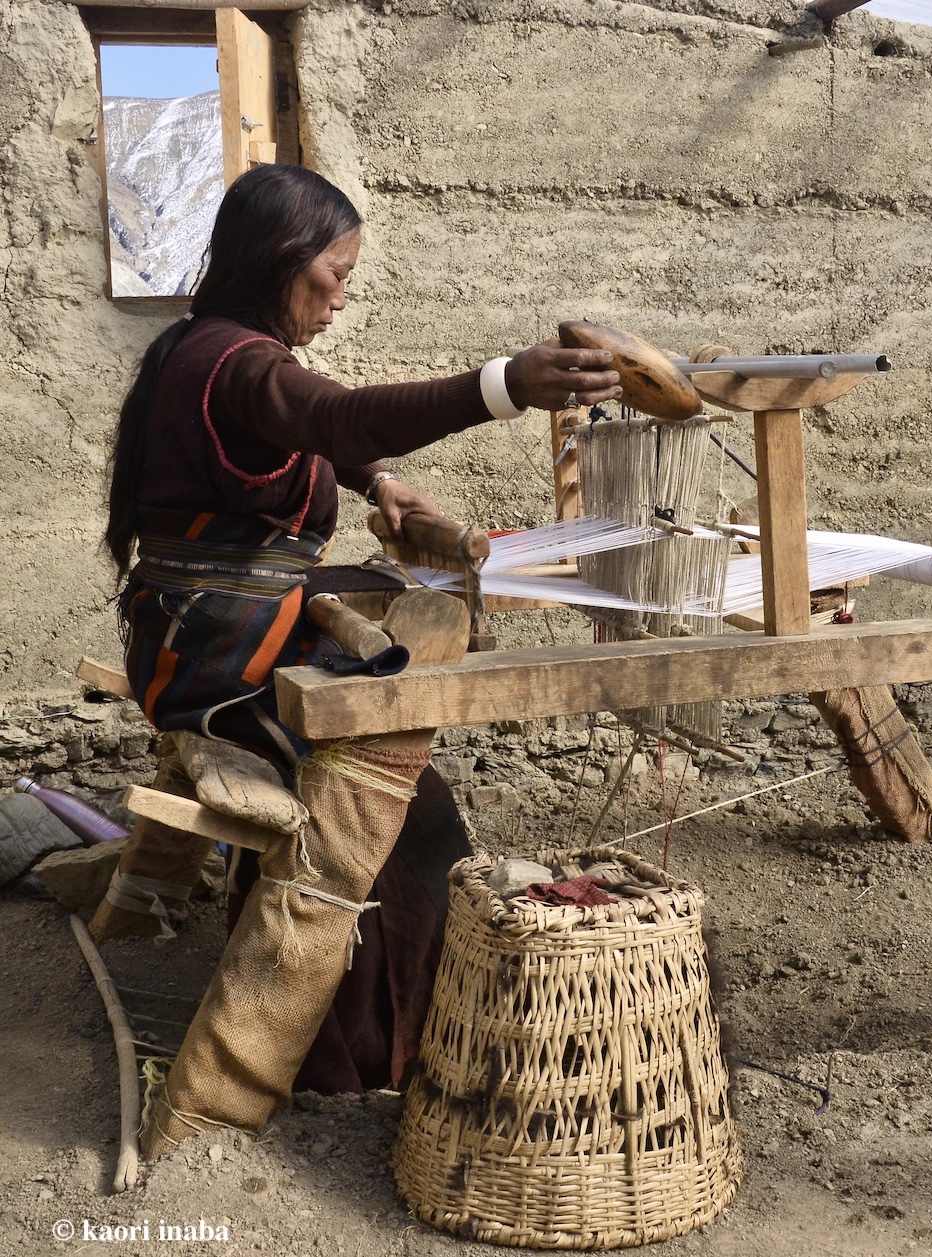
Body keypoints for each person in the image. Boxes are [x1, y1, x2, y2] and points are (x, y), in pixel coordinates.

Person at [90, 163, 622, 1153]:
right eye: (330, 276)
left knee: (386, 698)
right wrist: (503, 385)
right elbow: (324, 417)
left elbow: (313, 442)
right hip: (216, 673)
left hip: (203, 641)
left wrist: (374, 483)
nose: (341, 296)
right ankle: (362, 1053)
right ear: (276, 263)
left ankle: (369, 1030)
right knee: (394, 792)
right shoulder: (236, 363)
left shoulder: (204, 351)